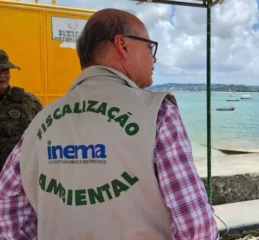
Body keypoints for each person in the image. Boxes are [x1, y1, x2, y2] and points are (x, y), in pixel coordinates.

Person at [0, 8, 218, 240]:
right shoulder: (158, 112)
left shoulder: (39, 122)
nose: (154, 58)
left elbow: (7, 207)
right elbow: (196, 228)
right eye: (149, 47)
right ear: (122, 45)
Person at [0, 49, 42, 171]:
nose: (3, 76)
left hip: (18, 178)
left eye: (6, 71)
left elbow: (47, 134)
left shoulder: (28, 102)